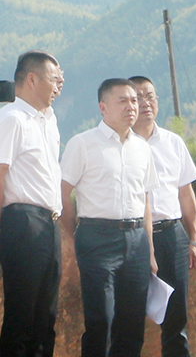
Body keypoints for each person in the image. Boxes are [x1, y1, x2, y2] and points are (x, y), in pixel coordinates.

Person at [60, 78, 159, 357]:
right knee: (100, 320)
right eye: (123, 101)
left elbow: (145, 199)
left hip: (137, 240)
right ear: (103, 107)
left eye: (134, 100)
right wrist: (77, 235)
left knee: (132, 324)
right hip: (96, 237)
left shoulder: (142, 148)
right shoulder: (83, 143)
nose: (132, 106)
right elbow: (63, 192)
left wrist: (150, 249)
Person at [129, 76, 196, 357]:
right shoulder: (120, 144)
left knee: (176, 317)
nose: (146, 103)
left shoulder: (173, 142)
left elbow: (186, 194)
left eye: (150, 96)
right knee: (128, 315)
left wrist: (193, 239)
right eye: (138, 97)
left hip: (172, 236)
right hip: (132, 235)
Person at [0, 50, 63, 356]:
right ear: (32, 79)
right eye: (54, 78)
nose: (58, 85)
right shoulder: (11, 118)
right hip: (22, 222)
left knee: (45, 317)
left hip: (48, 223)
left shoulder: (47, 121)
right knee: (22, 315)